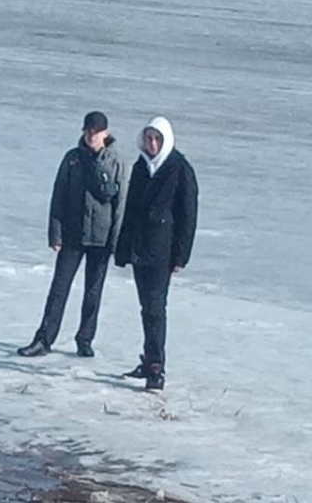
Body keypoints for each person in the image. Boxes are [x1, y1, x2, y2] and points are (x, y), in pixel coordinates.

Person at [18, 111, 127, 359]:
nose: (90, 136)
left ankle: (85, 339)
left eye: (95, 132)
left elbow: (121, 203)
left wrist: (116, 240)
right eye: (87, 131)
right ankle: (44, 339)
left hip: (101, 238)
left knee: (93, 291)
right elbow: (59, 196)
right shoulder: (72, 159)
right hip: (73, 235)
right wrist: (55, 234)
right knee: (59, 288)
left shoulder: (117, 161)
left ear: (105, 133)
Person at [114, 116, 198, 391]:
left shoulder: (179, 169)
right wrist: (123, 247)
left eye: (157, 139)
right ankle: (149, 358)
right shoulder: (141, 168)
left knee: (155, 308)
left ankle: (156, 368)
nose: (152, 144)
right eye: (149, 138)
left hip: (162, 252)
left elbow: (188, 215)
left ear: (165, 141)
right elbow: (130, 210)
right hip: (140, 249)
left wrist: (181, 255)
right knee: (146, 308)